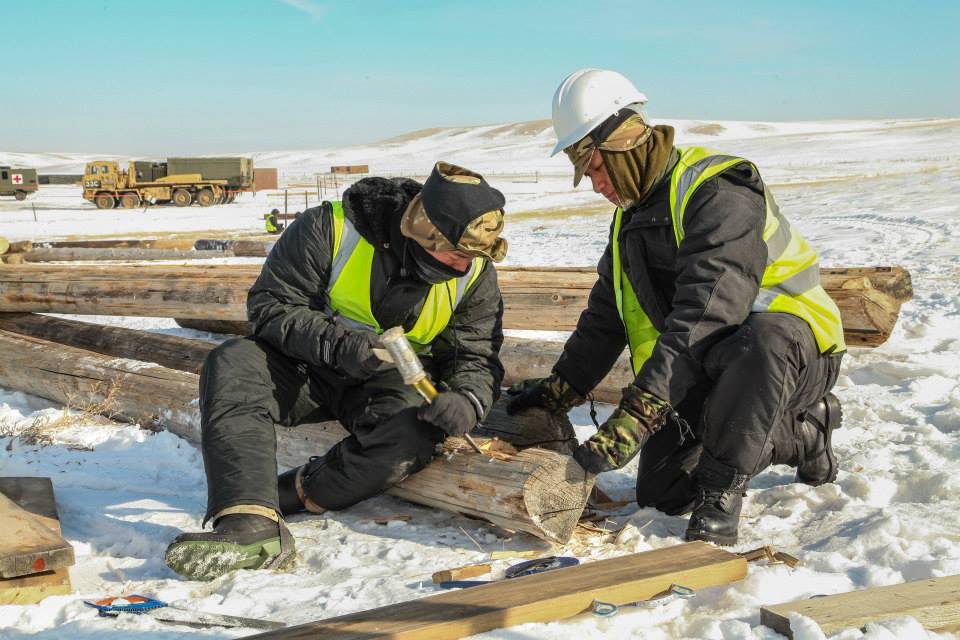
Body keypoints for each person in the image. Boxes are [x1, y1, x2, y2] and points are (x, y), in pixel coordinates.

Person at [508, 69, 845, 546]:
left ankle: (723, 491)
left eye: (597, 169)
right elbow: (607, 317)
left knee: (759, 342)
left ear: (624, 146)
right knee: (661, 493)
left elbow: (708, 312)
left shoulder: (717, 192)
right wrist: (561, 389)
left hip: (791, 359)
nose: (595, 185)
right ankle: (803, 434)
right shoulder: (631, 218)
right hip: (704, 369)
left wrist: (642, 411)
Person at [166, 162, 508, 579]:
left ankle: (289, 494)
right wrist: (336, 342)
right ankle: (249, 522)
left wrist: (468, 397)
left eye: (473, 258)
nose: (463, 267)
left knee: (413, 436)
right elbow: (270, 306)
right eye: (457, 253)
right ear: (425, 230)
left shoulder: (474, 274)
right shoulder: (331, 229)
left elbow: (475, 354)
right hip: (303, 368)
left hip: (388, 385)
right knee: (233, 364)